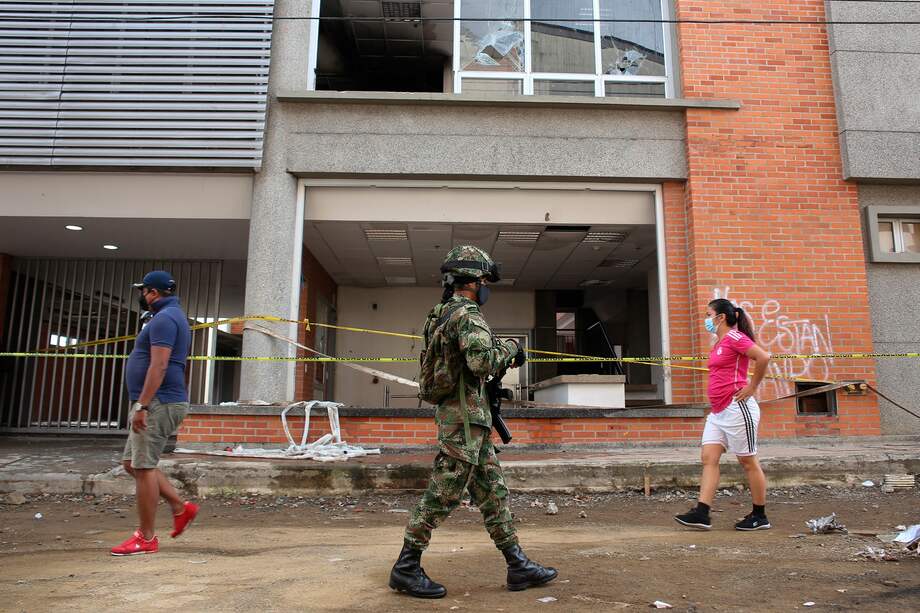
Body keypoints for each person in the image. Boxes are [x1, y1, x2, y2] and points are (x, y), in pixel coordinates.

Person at [389, 245, 558, 598]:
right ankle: (406, 567)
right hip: (463, 422)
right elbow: (481, 363)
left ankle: (517, 564)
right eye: (484, 281)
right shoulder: (467, 314)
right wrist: (511, 349)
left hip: (469, 420)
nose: (486, 288)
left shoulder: (439, 313)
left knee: (493, 492)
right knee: (443, 493)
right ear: (472, 281)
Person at [110, 270, 198, 556]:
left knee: (144, 468)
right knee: (132, 463)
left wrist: (143, 405)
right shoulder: (168, 316)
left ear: (153, 293)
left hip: (158, 402)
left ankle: (146, 539)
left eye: (143, 290)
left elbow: (159, 365)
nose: (141, 295)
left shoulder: (164, 319)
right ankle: (180, 507)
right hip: (157, 400)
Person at [675, 298, 772, 532]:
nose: (706, 320)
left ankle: (759, 516)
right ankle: (701, 513)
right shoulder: (720, 342)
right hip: (718, 411)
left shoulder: (735, 338)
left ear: (720, 317)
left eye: (708, 315)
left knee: (747, 461)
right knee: (709, 457)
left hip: (737, 408)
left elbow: (763, 357)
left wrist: (752, 387)